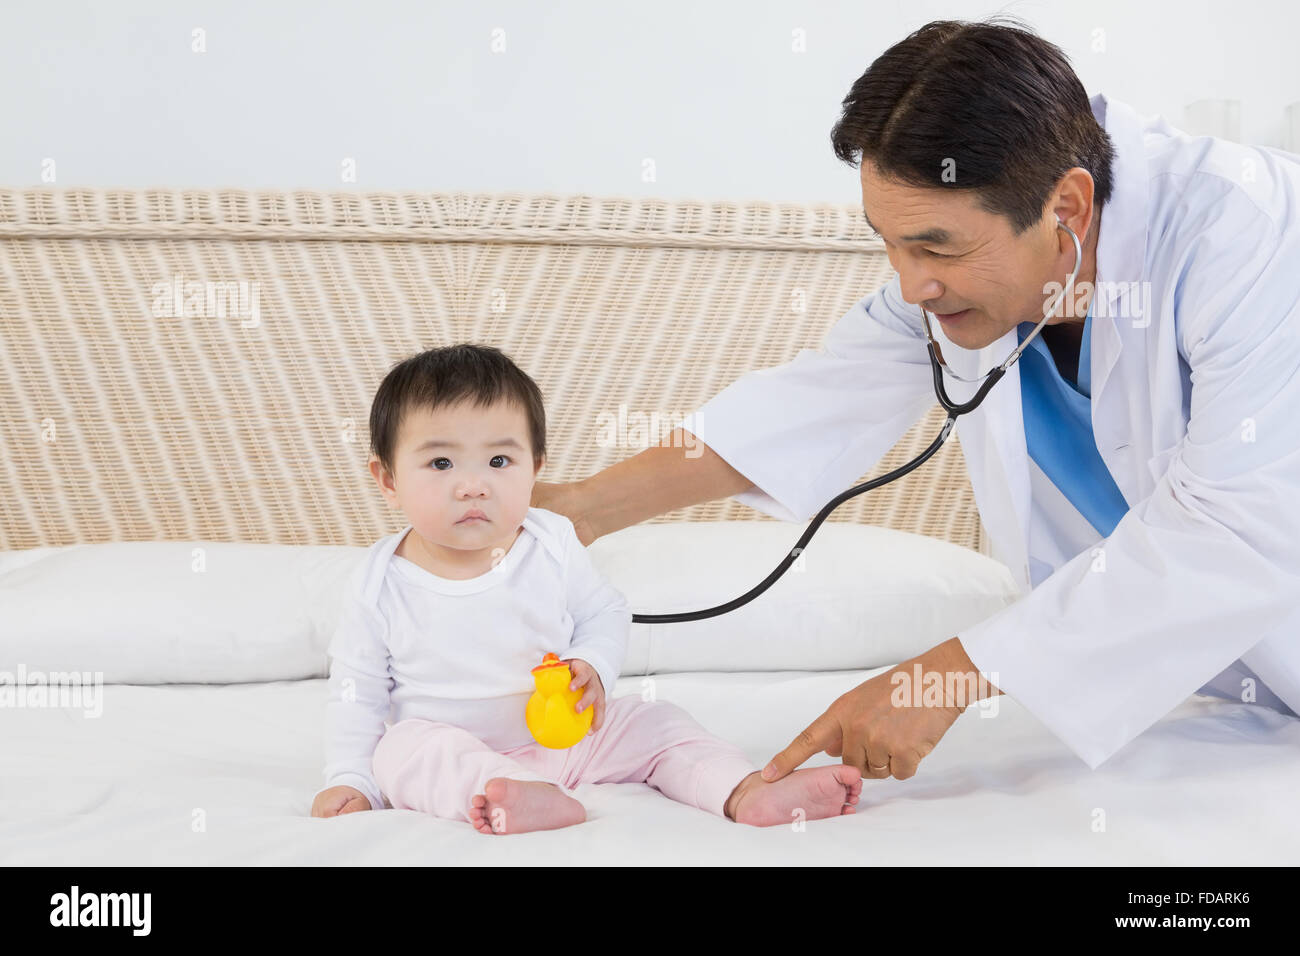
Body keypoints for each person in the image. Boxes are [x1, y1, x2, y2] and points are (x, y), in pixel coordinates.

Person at [533, 17, 1300, 781]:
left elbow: (1237, 523)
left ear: (1066, 208)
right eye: (889, 244)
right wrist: (584, 510)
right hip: (1254, 696)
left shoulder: (1245, 236)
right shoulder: (968, 273)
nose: (911, 285)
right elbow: (814, 399)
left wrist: (946, 677)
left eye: (937, 247)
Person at [310, 343, 862, 831]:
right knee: (402, 751)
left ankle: (743, 791)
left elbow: (604, 612)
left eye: (499, 460)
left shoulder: (551, 541)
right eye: (440, 462)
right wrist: (351, 778)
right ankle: (512, 793)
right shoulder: (380, 582)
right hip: (459, 744)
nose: (472, 485)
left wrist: (592, 664)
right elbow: (355, 692)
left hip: (574, 737)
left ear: (535, 468)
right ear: (388, 480)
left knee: (657, 721)